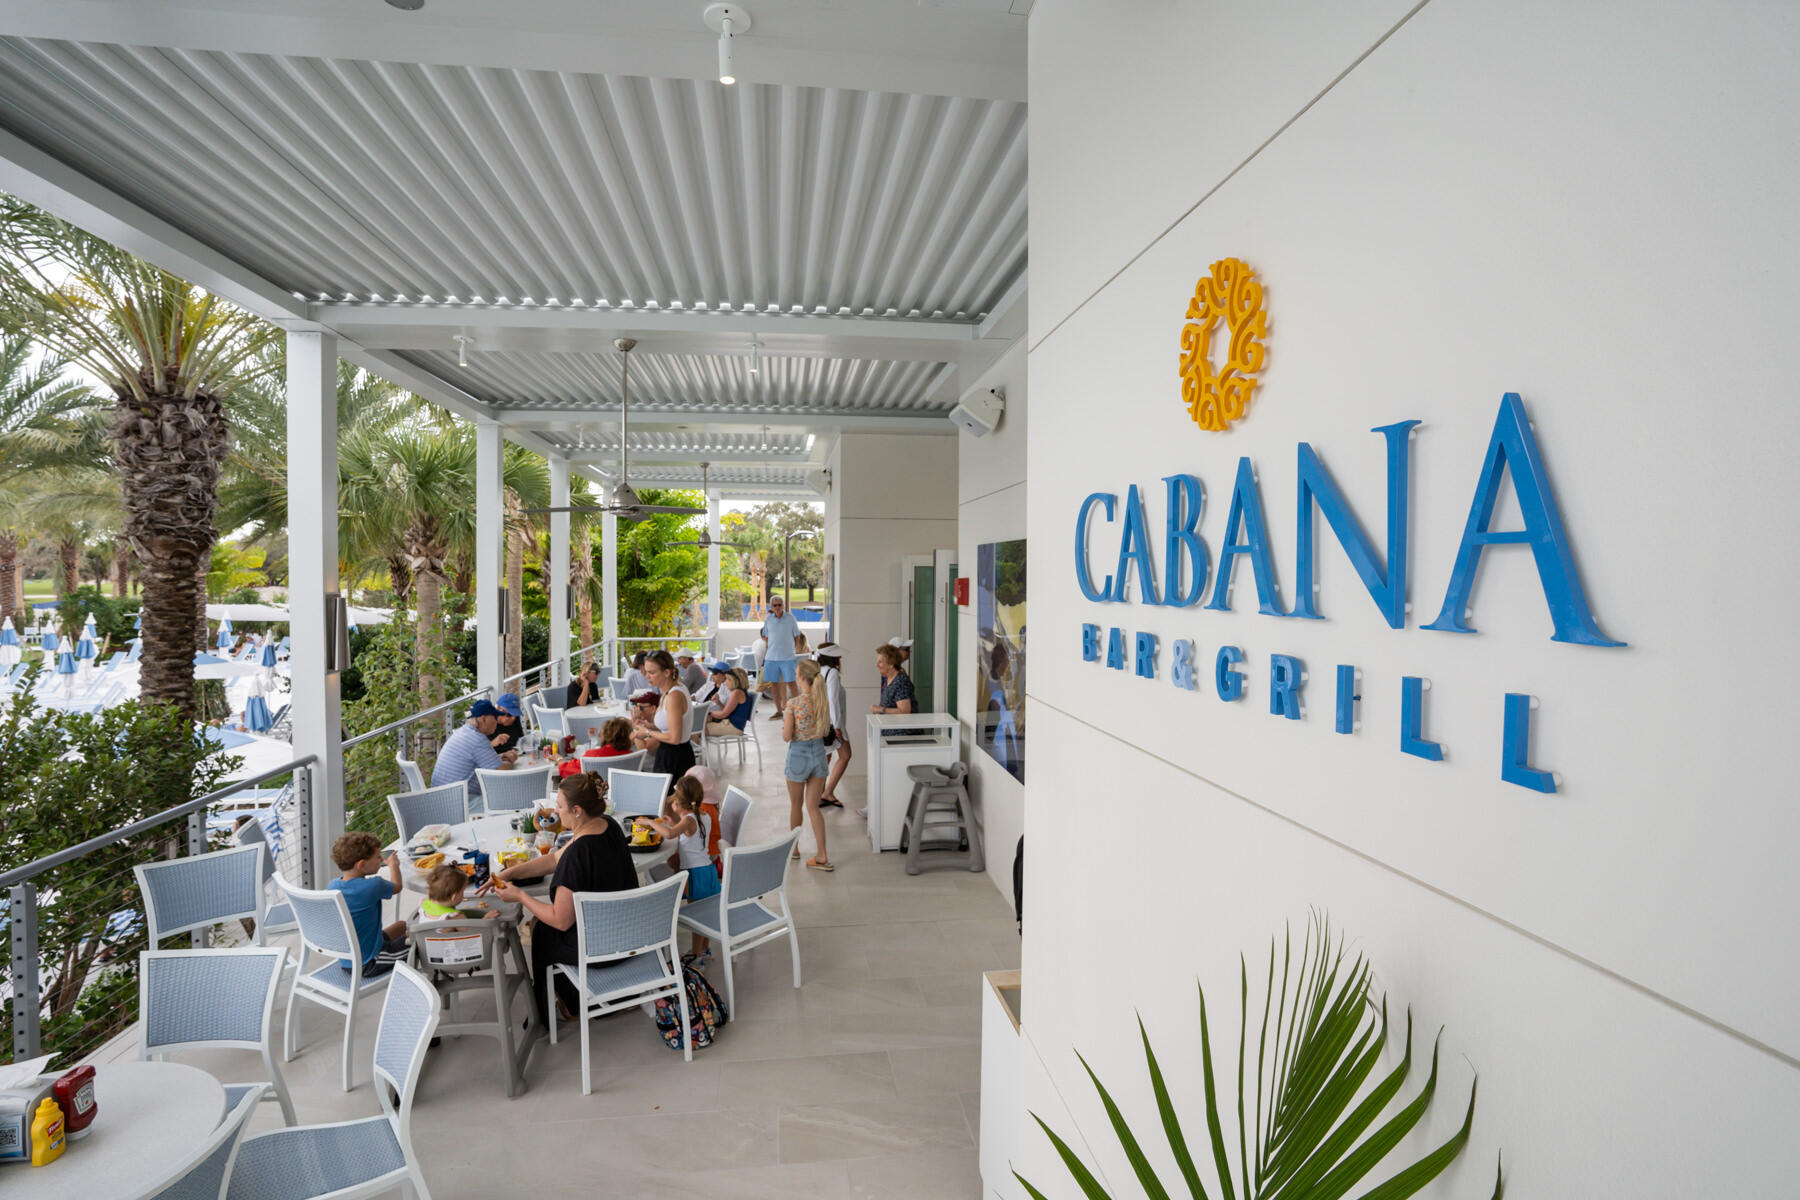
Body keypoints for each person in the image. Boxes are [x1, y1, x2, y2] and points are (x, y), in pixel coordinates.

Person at [487, 773, 637, 1023]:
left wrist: (520, 896)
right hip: (628, 933)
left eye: (559, 805)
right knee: (541, 924)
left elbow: (561, 920)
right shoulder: (607, 825)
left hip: (601, 948)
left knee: (542, 931)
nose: (555, 811)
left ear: (576, 810)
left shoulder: (577, 855)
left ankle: (562, 1007)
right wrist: (509, 873)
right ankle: (571, 995)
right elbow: (554, 859)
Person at [638, 774, 720, 965]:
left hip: (695, 873)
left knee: (697, 917)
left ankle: (696, 955)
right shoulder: (703, 815)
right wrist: (673, 823)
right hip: (706, 870)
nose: (672, 803)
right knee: (704, 913)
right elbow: (690, 834)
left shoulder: (689, 820)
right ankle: (704, 949)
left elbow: (669, 834)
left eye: (674, 800)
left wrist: (651, 823)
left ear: (679, 805)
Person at [327, 832, 409, 975]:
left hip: (349, 957)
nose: (381, 859)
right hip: (370, 962)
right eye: (377, 857)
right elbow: (397, 886)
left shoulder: (333, 885)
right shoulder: (373, 886)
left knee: (402, 925)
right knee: (421, 941)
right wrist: (393, 865)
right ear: (362, 864)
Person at [784, 658, 833, 871]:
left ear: (802, 677)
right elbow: (826, 730)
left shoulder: (794, 704)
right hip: (819, 755)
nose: (795, 677)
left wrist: (786, 728)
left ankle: (794, 849)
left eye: (796, 675)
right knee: (813, 807)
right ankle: (822, 854)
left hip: (798, 756)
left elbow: (787, 736)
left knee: (796, 805)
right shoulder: (822, 701)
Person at [431, 699, 518, 798]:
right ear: (483, 719)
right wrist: (510, 760)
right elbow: (500, 773)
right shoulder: (477, 739)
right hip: (457, 801)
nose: (496, 721)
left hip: (441, 798)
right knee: (509, 798)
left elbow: (482, 760)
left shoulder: (463, 731)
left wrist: (501, 757)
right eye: (495, 717)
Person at [632, 649, 695, 779]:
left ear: (666, 672)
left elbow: (675, 738)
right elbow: (670, 725)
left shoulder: (674, 696)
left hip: (675, 757)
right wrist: (649, 725)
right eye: (646, 672)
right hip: (671, 753)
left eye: (651, 672)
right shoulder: (669, 690)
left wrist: (647, 732)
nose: (647, 676)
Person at [815, 643, 851, 809]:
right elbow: (833, 701)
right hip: (832, 724)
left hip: (820, 722)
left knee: (825, 758)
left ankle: (819, 795)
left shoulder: (818, 672)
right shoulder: (833, 673)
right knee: (845, 755)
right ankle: (827, 793)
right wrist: (837, 727)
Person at [760, 596, 801, 719]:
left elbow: (797, 636)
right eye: (775, 605)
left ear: (783, 605)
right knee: (774, 684)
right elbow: (765, 636)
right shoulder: (768, 619)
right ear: (771, 607)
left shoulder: (790, 618)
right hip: (771, 658)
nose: (777, 607)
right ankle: (778, 711)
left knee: (792, 683)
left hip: (787, 657)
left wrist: (791, 650)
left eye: (779, 605)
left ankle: (797, 711)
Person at [556, 716, 634, 778]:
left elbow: (565, 770)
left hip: (595, 792)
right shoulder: (631, 756)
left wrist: (559, 759)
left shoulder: (592, 756)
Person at [418, 863, 496, 921]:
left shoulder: (424, 902)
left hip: (428, 938)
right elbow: (472, 932)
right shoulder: (457, 917)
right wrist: (486, 918)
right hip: (453, 939)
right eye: (462, 891)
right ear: (454, 897)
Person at [706, 666, 752, 738]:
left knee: (697, 728)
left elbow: (723, 714)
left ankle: (696, 745)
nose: (725, 681)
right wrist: (718, 702)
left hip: (733, 727)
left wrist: (707, 712)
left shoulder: (737, 692)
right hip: (731, 724)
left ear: (733, 680)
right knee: (698, 725)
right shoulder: (741, 691)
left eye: (727, 679)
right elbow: (727, 712)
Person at [871, 643, 916, 716]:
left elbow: (904, 711)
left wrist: (879, 709)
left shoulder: (900, 681)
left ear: (891, 664)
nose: (877, 665)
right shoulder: (888, 678)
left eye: (880, 662)